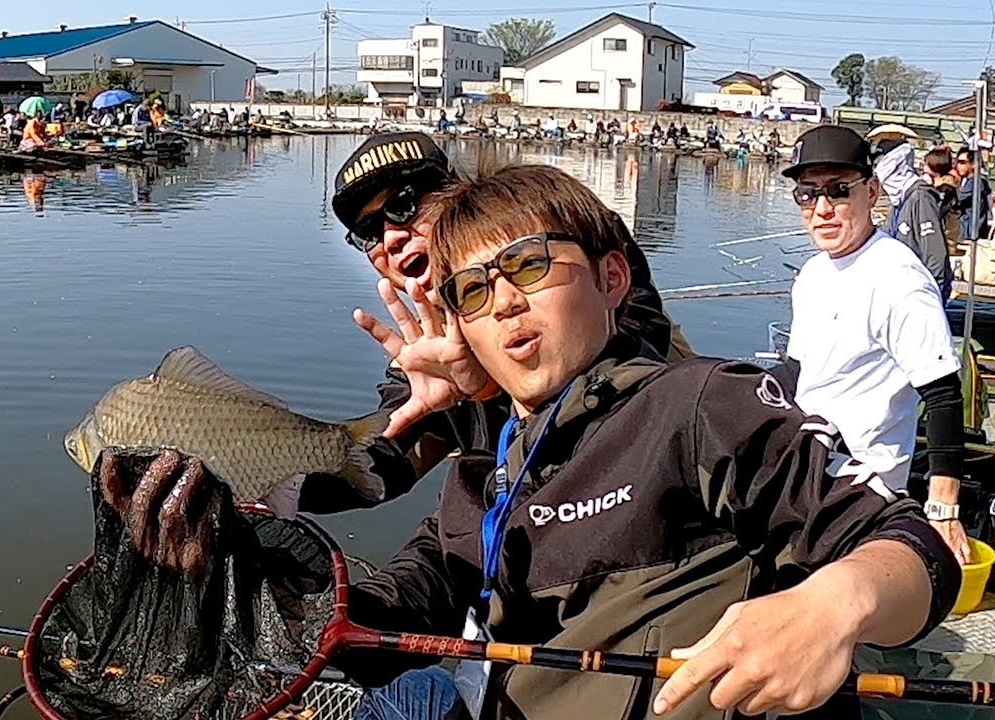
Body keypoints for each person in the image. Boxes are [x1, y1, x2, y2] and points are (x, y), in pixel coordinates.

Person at [108, 162, 960, 720]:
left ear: (613, 275)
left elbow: (916, 546)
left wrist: (833, 602)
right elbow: (420, 566)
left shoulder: (698, 401)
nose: (503, 302)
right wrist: (238, 576)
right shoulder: (496, 434)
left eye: (525, 268)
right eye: (472, 292)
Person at [291, 132, 693, 515]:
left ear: (454, 195)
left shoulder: (564, 238)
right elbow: (379, 469)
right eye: (367, 231)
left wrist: (485, 389)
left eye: (403, 205)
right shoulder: (427, 355)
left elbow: (639, 346)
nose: (391, 237)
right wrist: (249, 481)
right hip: (531, 525)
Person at [780, 125, 969, 563]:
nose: (822, 209)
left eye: (838, 191)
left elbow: (942, 395)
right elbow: (796, 374)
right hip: (805, 466)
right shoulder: (813, 273)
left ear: (872, 191)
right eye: (808, 195)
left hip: (861, 486)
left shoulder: (898, 280)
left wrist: (942, 509)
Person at [872, 137, 951, 299]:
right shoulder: (898, 201)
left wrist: (934, 296)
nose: (879, 169)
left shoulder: (920, 197)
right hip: (897, 290)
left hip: (918, 293)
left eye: (882, 162)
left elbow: (934, 253)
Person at [923, 147, 962, 257]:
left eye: (926, 164)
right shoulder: (939, 186)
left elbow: (939, 212)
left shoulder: (945, 188)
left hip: (944, 240)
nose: (924, 167)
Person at [956, 146, 991, 245]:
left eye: (962, 162)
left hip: (969, 234)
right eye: (958, 162)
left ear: (973, 164)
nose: (959, 166)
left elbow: (956, 199)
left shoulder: (976, 183)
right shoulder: (966, 181)